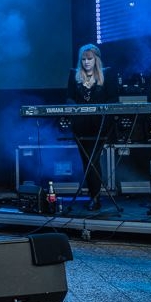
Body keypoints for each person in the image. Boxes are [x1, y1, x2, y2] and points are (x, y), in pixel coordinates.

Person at [65, 44, 118, 212]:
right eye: (83, 59)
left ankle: (95, 197)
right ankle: (94, 196)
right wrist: (74, 109)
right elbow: (69, 98)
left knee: (92, 160)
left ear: (96, 59)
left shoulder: (107, 74)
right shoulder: (74, 75)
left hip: (100, 125)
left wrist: (102, 111)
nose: (86, 62)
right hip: (80, 125)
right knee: (86, 160)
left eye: (89, 59)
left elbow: (113, 99)